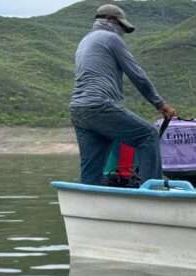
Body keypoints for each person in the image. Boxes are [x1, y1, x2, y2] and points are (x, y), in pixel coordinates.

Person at [69, 4, 175, 186]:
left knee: (92, 167)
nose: (122, 33)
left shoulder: (85, 41)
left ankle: (88, 203)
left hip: (78, 109)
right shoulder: (110, 38)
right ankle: (154, 191)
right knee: (148, 135)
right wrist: (160, 104)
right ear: (110, 20)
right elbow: (137, 74)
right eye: (122, 27)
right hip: (99, 105)